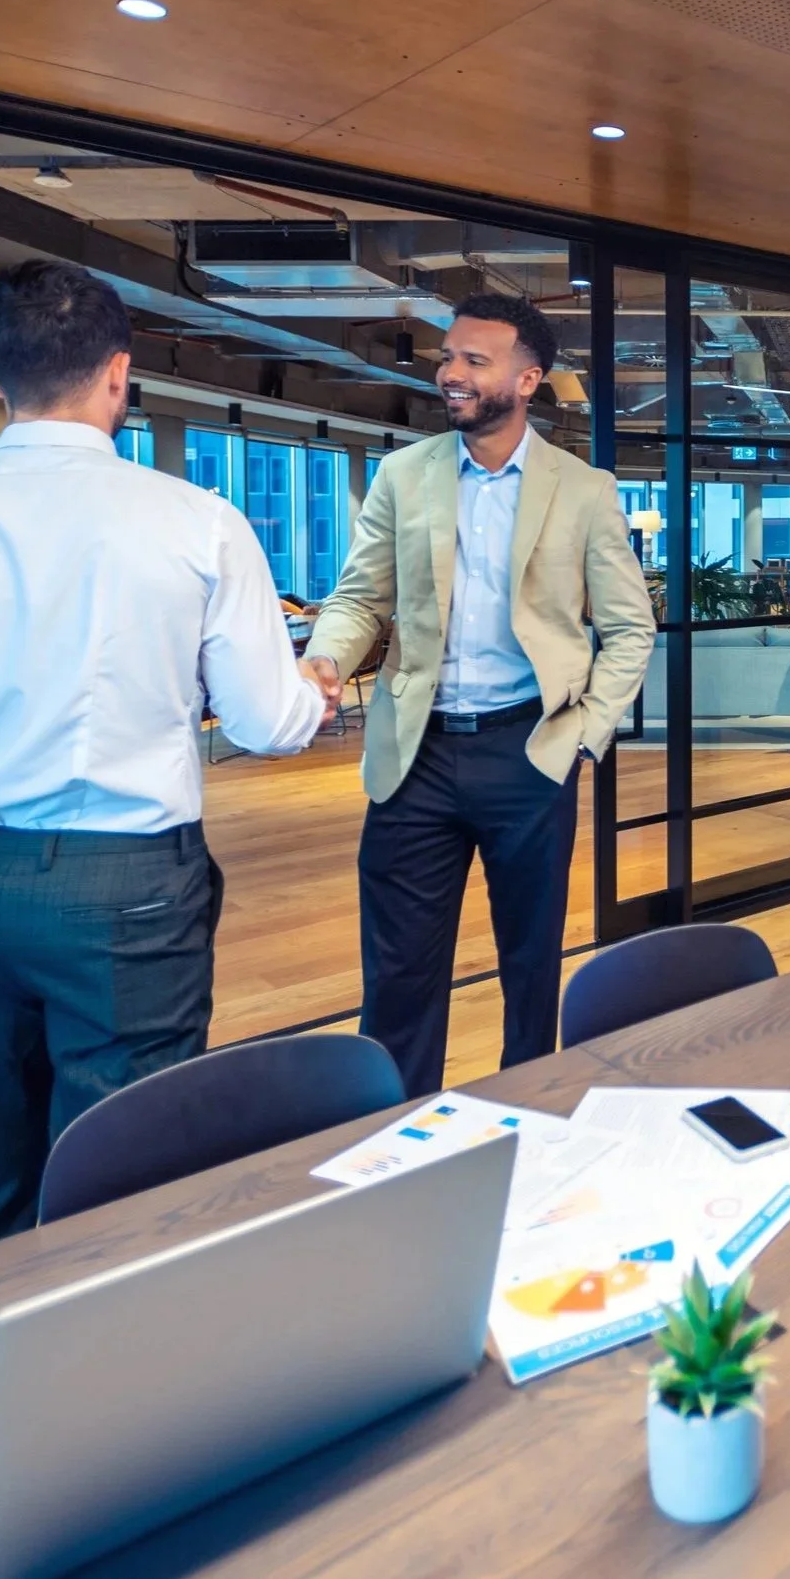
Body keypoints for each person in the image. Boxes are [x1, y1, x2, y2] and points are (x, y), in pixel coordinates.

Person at [0, 259, 333, 1262]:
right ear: (119, 373)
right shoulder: (197, 522)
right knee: (123, 1188)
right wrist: (318, 693)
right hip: (130, 890)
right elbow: (264, 722)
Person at [303, 294, 655, 1098]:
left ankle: (524, 1119)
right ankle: (391, 1139)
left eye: (474, 360)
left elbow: (630, 628)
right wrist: (324, 659)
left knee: (530, 969)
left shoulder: (583, 488)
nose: (450, 373)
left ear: (528, 378)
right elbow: (361, 597)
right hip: (414, 755)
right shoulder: (404, 474)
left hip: (529, 750)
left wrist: (583, 736)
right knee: (397, 976)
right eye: (448, 356)